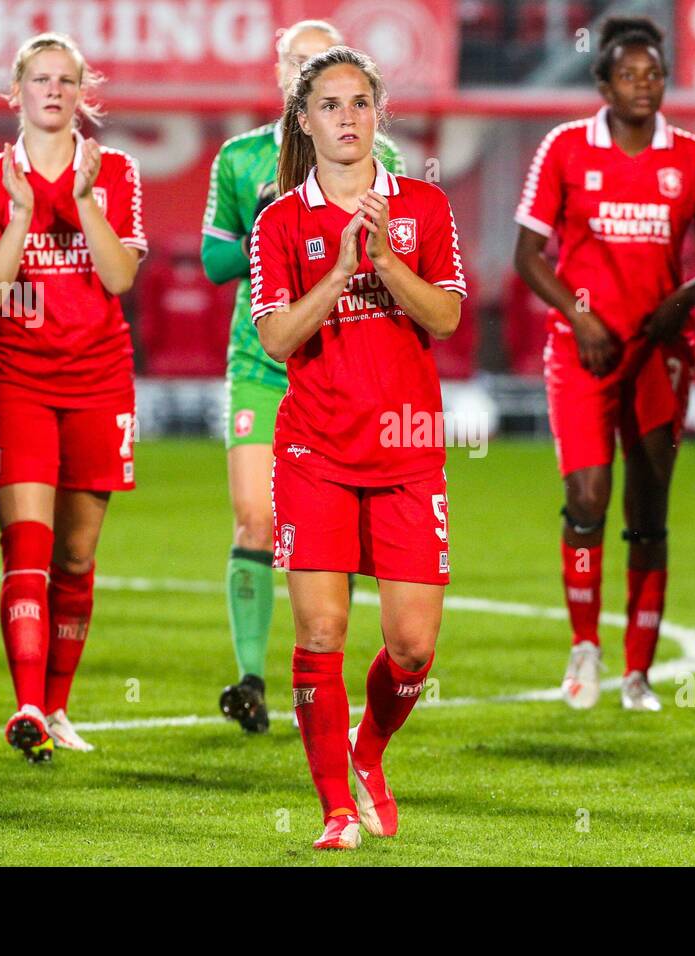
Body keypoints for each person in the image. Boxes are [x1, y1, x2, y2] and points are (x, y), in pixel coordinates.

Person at [250, 46, 466, 849]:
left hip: (407, 451)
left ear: (379, 114)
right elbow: (275, 337)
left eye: (359, 104)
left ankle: (367, 752)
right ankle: (336, 808)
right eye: (330, 106)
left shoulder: (424, 208)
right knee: (320, 634)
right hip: (314, 452)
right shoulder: (280, 220)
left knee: (412, 647)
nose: (347, 118)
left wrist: (382, 262)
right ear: (304, 123)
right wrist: (339, 275)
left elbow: (444, 319)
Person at [513, 15, 695, 711]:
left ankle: (638, 674)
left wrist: (687, 296)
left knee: (649, 511)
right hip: (583, 350)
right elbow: (527, 256)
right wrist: (580, 316)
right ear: (603, 84)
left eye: (654, 75)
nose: (645, 86)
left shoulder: (693, 159)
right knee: (587, 498)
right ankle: (585, 647)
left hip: (658, 352)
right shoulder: (564, 149)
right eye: (629, 75)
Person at [201, 19, 405, 734]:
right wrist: (265, 218)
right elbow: (215, 264)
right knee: (258, 517)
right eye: (297, 60)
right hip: (262, 360)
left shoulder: (381, 155)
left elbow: (402, 258)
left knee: (337, 533)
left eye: (319, 61)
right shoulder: (240, 158)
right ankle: (251, 679)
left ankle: (325, 674)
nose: (305, 71)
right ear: (281, 72)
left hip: (346, 364)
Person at [0, 33, 147, 762]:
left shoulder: (117, 172)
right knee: (28, 548)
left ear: (81, 92)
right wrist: (17, 215)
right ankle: (28, 706)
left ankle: (59, 704)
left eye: (66, 81)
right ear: (17, 91)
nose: (52, 91)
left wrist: (77, 202)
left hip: (100, 380)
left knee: (75, 554)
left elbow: (119, 277)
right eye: (39, 80)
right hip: (17, 380)